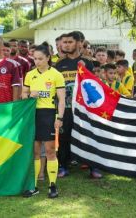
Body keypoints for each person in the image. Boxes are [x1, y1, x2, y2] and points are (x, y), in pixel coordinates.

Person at [55, 31, 103, 179]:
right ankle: (63, 166)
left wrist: (83, 68)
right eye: (64, 42)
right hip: (66, 108)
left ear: (78, 43)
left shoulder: (87, 62)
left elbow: (92, 84)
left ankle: (93, 167)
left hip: (83, 108)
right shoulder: (59, 64)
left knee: (87, 135)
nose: (66, 45)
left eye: (70, 42)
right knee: (64, 137)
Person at [22, 45, 65, 198]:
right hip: (33, 115)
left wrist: (59, 117)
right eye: (35, 59)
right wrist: (30, 95)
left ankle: (52, 185)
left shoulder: (56, 75)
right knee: (35, 152)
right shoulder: (29, 75)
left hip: (48, 115)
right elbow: (23, 96)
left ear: (48, 58)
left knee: (50, 151)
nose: (38, 62)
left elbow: (61, 100)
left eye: (40, 58)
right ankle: (33, 186)